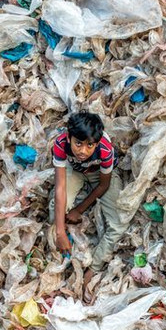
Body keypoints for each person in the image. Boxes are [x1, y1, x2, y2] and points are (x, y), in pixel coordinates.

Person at [50, 111, 129, 300]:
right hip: (74, 171)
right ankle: (63, 252)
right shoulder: (60, 144)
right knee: (55, 210)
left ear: (97, 143)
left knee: (118, 224)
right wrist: (60, 232)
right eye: (78, 143)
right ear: (69, 138)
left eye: (89, 145)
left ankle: (92, 268)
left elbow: (103, 185)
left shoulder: (105, 150)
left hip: (99, 175)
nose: (83, 151)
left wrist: (79, 209)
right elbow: (60, 188)